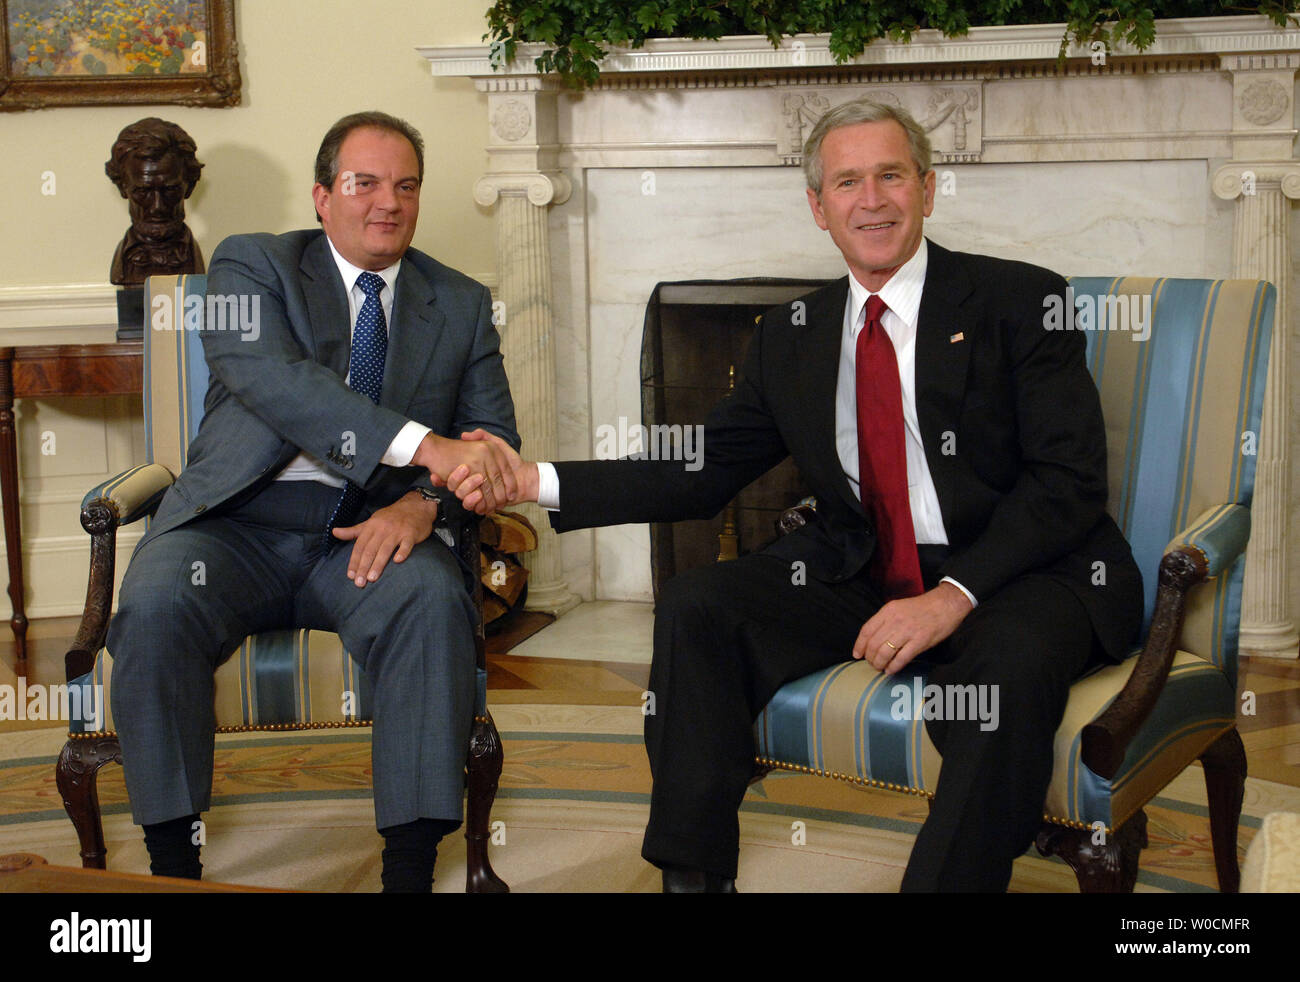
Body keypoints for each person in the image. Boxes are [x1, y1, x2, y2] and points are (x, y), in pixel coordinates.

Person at [453, 97, 1145, 891]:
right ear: (819, 208)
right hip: (865, 565)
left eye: (890, 175)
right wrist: (530, 479)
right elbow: (700, 467)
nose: (872, 199)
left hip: (1026, 572)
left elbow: (1068, 483)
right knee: (698, 606)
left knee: (1001, 675)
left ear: (927, 186)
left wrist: (953, 595)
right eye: (847, 182)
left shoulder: (1020, 301)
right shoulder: (791, 335)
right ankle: (694, 876)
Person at [107, 111, 521, 892]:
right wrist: (423, 448)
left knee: (433, 602)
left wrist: (425, 505)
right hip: (235, 528)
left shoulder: (460, 303)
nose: (387, 203)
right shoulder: (252, 266)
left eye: (406, 186)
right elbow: (282, 386)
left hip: (368, 536)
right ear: (324, 196)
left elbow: (493, 440)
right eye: (365, 184)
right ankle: (173, 868)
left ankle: (408, 869)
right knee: (158, 602)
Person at [105, 117, 206, 286]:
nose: (157, 207)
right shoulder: (123, 264)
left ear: (189, 186)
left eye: (170, 190)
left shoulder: (192, 259)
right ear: (123, 187)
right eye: (143, 191)